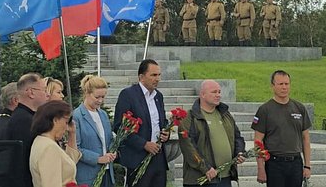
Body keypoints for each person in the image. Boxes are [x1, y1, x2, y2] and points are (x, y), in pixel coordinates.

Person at [178, 80, 245, 187]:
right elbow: (188, 147)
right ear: (203, 94)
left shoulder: (225, 114)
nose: (218, 95)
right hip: (202, 178)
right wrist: (205, 168)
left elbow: (237, 137)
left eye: (219, 92)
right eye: (214, 92)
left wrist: (240, 152)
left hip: (225, 177)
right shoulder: (190, 117)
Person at [114, 59, 170, 187]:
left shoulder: (158, 96)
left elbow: (163, 121)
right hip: (137, 158)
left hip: (158, 158)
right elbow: (119, 126)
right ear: (141, 77)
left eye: (159, 75)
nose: (157, 79)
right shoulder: (128, 95)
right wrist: (143, 144)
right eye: (153, 75)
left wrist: (166, 132)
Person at [251, 70, 312, 187]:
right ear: (273, 86)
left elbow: (306, 138)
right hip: (274, 164)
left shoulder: (299, 108)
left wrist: (307, 165)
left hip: (296, 163)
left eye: (286, 84)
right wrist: (260, 168)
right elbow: (258, 142)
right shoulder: (265, 110)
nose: (284, 87)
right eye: (280, 84)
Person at [6, 73, 51, 187]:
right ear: (31, 92)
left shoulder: (28, 117)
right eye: (44, 90)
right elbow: (26, 160)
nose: (48, 94)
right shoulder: (23, 120)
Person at [73, 75, 117, 187]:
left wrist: (113, 152)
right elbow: (75, 148)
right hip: (88, 177)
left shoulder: (103, 114)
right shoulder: (76, 116)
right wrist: (98, 159)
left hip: (107, 173)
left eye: (103, 97)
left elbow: (109, 139)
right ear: (87, 93)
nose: (100, 101)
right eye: (97, 97)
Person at [29, 100, 81, 187]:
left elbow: (71, 161)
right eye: (66, 122)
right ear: (56, 120)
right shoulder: (49, 147)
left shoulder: (40, 141)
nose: (67, 127)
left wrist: (72, 134)